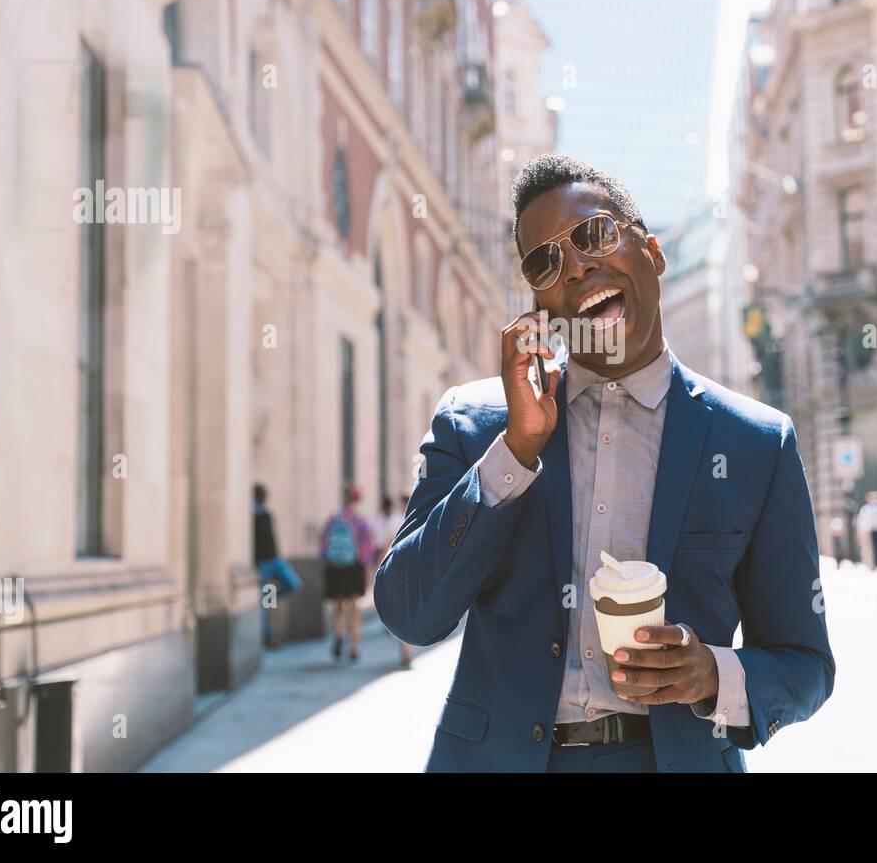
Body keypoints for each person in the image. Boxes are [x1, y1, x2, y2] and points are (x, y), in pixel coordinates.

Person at [375, 154, 836, 772]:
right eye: (546, 262)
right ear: (538, 303)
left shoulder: (757, 442)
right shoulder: (473, 422)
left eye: (595, 234)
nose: (577, 266)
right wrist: (514, 451)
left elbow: (805, 663)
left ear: (653, 252)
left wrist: (712, 675)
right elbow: (410, 614)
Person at [320, 485, 375, 662]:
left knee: (338, 604)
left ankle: (338, 634)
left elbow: (323, 542)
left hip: (335, 566)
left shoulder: (333, 518)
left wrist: (325, 561)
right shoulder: (360, 520)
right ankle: (353, 647)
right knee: (354, 607)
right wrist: (367, 566)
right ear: (358, 500)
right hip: (354, 567)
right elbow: (368, 546)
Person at [254, 483, 302, 649]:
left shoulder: (267, 514)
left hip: (275, 559)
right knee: (265, 604)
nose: (263, 497)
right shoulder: (251, 516)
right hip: (262, 563)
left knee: (293, 583)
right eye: (260, 494)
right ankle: (268, 637)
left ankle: (266, 599)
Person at [373, 495, 414, 667]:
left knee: (401, 608)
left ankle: (405, 650)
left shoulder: (395, 519)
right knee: (410, 608)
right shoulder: (419, 515)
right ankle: (407, 651)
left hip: (397, 566)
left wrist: (379, 565)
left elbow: (387, 543)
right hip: (413, 567)